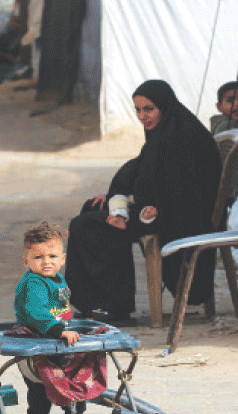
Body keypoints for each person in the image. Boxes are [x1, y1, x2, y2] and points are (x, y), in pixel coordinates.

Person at [65, 80, 222, 322]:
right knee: (93, 209)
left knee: (86, 226)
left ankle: (112, 307)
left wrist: (136, 217)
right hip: (163, 208)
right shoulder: (167, 131)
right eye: (138, 110)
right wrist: (115, 200)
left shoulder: (180, 138)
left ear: (164, 106)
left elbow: (179, 194)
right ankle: (99, 304)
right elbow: (141, 171)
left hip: (180, 218)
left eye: (148, 109)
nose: (141, 116)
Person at [13, 222, 100, 414]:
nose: (46, 262)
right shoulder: (34, 283)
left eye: (52, 256)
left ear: (62, 258)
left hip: (58, 341)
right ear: (26, 261)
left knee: (77, 377)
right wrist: (59, 330)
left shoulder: (57, 279)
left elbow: (62, 307)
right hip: (37, 343)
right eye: (38, 257)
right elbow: (37, 311)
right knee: (39, 388)